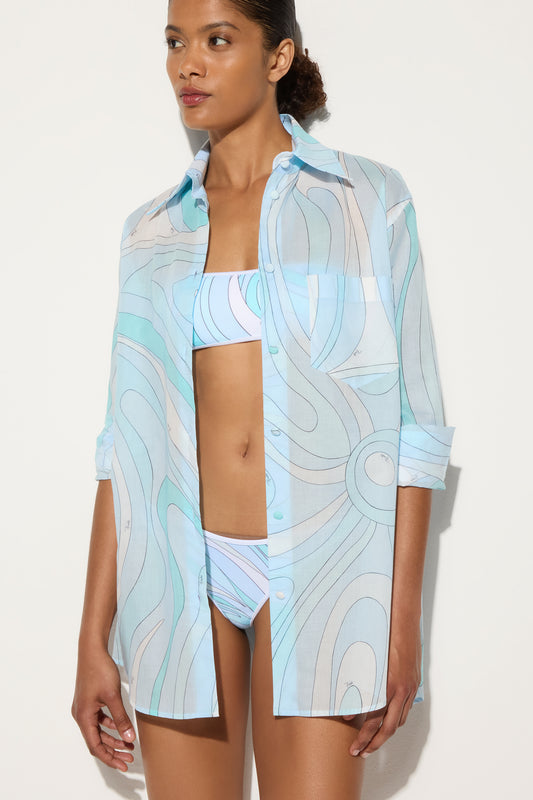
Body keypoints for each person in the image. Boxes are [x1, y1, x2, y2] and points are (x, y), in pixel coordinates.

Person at [71, 0, 455, 797]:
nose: (188, 63)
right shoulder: (151, 230)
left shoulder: (366, 198)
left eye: (218, 40)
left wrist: (401, 625)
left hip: (324, 573)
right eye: (175, 42)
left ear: (276, 58)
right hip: (177, 579)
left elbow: (415, 429)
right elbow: (125, 444)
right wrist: (91, 637)